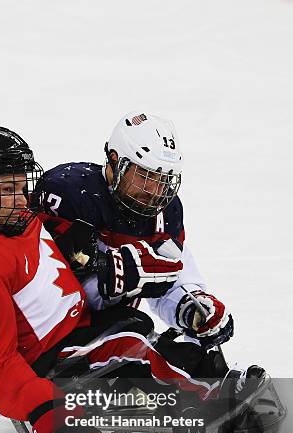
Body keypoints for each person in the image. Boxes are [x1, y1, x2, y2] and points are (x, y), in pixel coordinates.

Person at [0, 126, 268, 433]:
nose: (24, 200)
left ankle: (198, 373)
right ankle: (212, 408)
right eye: (8, 190)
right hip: (46, 356)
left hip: (69, 320)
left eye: (21, 185)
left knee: (134, 327)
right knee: (131, 347)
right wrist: (51, 415)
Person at [33, 111, 234, 373]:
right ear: (115, 160)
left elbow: (169, 277)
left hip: (111, 333)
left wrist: (189, 306)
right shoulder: (67, 193)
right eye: (145, 176)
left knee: (191, 358)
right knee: (134, 328)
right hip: (46, 342)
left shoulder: (166, 212)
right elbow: (36, 289)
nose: (155, 192)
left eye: (163, 181)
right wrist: (115, 275)